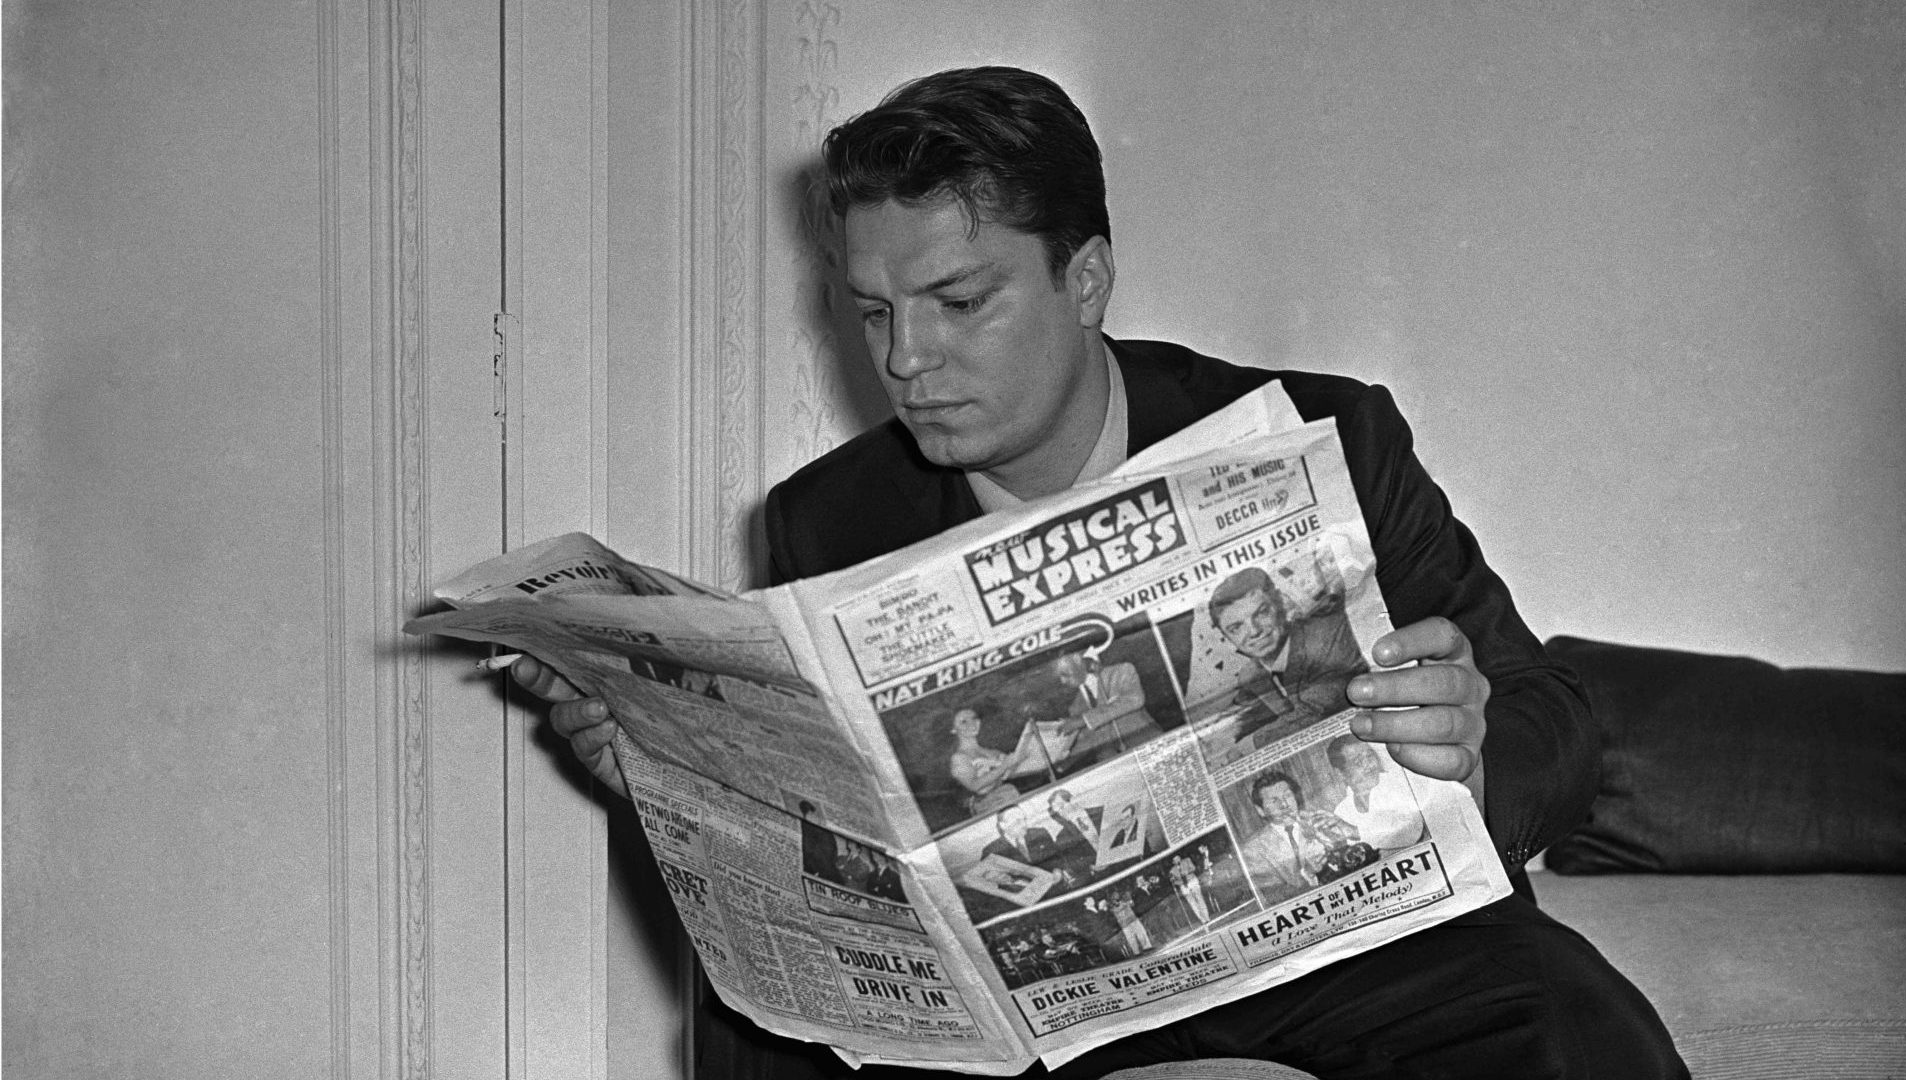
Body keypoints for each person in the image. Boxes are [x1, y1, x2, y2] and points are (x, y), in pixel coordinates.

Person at [515, 65, 1683, 1079]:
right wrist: (680, 777)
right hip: (1036, 1000)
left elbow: (1559, 722)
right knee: (755, 1033)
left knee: (1571, 1023)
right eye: (871, 313)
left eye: (959, 302)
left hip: (1328, 945)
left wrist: (1471, 749)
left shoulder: (1317, 433)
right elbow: (843, 835)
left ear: (1084, 281)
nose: (906, 360)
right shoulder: (831, 517)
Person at [1205, 565, 1368, 731]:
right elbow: (1239, 720)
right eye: (1236, 628)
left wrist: (1249, 744)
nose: (1254, 631)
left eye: (1262, 613)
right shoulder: (1251, 674)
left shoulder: (1327, 635)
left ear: (1280, 603)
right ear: (1227, 637)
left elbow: (1316, 712)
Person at [1239, 769, 1364, 902]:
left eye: (1287, 796)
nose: (1284, 805)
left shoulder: (1321, 819)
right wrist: (1308, 875)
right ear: (1261, 810)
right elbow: (1272, 896)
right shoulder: (1253, 849)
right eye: (1274, 801)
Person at [1048, 650, 1159, 762]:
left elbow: (1135, 699)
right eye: (1059, 678)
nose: (1063, 681)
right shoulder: (1075, 708)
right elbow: (1088, 742)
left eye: (1065, 674)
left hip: (1150, 752)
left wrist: (1084, 720)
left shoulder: (1122, 671)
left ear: (1077, 658)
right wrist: (1062, 760)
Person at [1325, 732, 1426, 851]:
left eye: (1369, 756)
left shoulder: (1398, 783)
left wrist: (1356, 832)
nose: (1369, 765)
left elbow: (1412, 831)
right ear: (1341, 774)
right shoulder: (1342, 811)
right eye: (1358, 761)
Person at [946, 707, 1021, 815]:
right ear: (953, 729)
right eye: (963, 722)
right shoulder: (959, 758)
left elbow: (1015, 769)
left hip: (1010, 797)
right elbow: (974, 785)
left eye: (974, 718)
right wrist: (1004, 766)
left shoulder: (992, 752)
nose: (971, 724)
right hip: (990, 808)